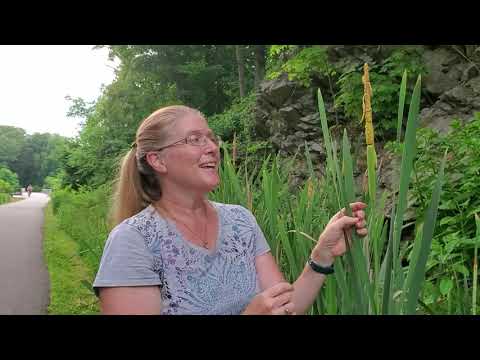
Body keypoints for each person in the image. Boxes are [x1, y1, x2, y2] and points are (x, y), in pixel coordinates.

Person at [93, 105, 368, 315]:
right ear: (157, 160)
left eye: (211, 138)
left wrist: (322, 255)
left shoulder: (239, 220)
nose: (212, 148)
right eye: (194, 139)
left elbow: (285, 305)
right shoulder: (133, 240)